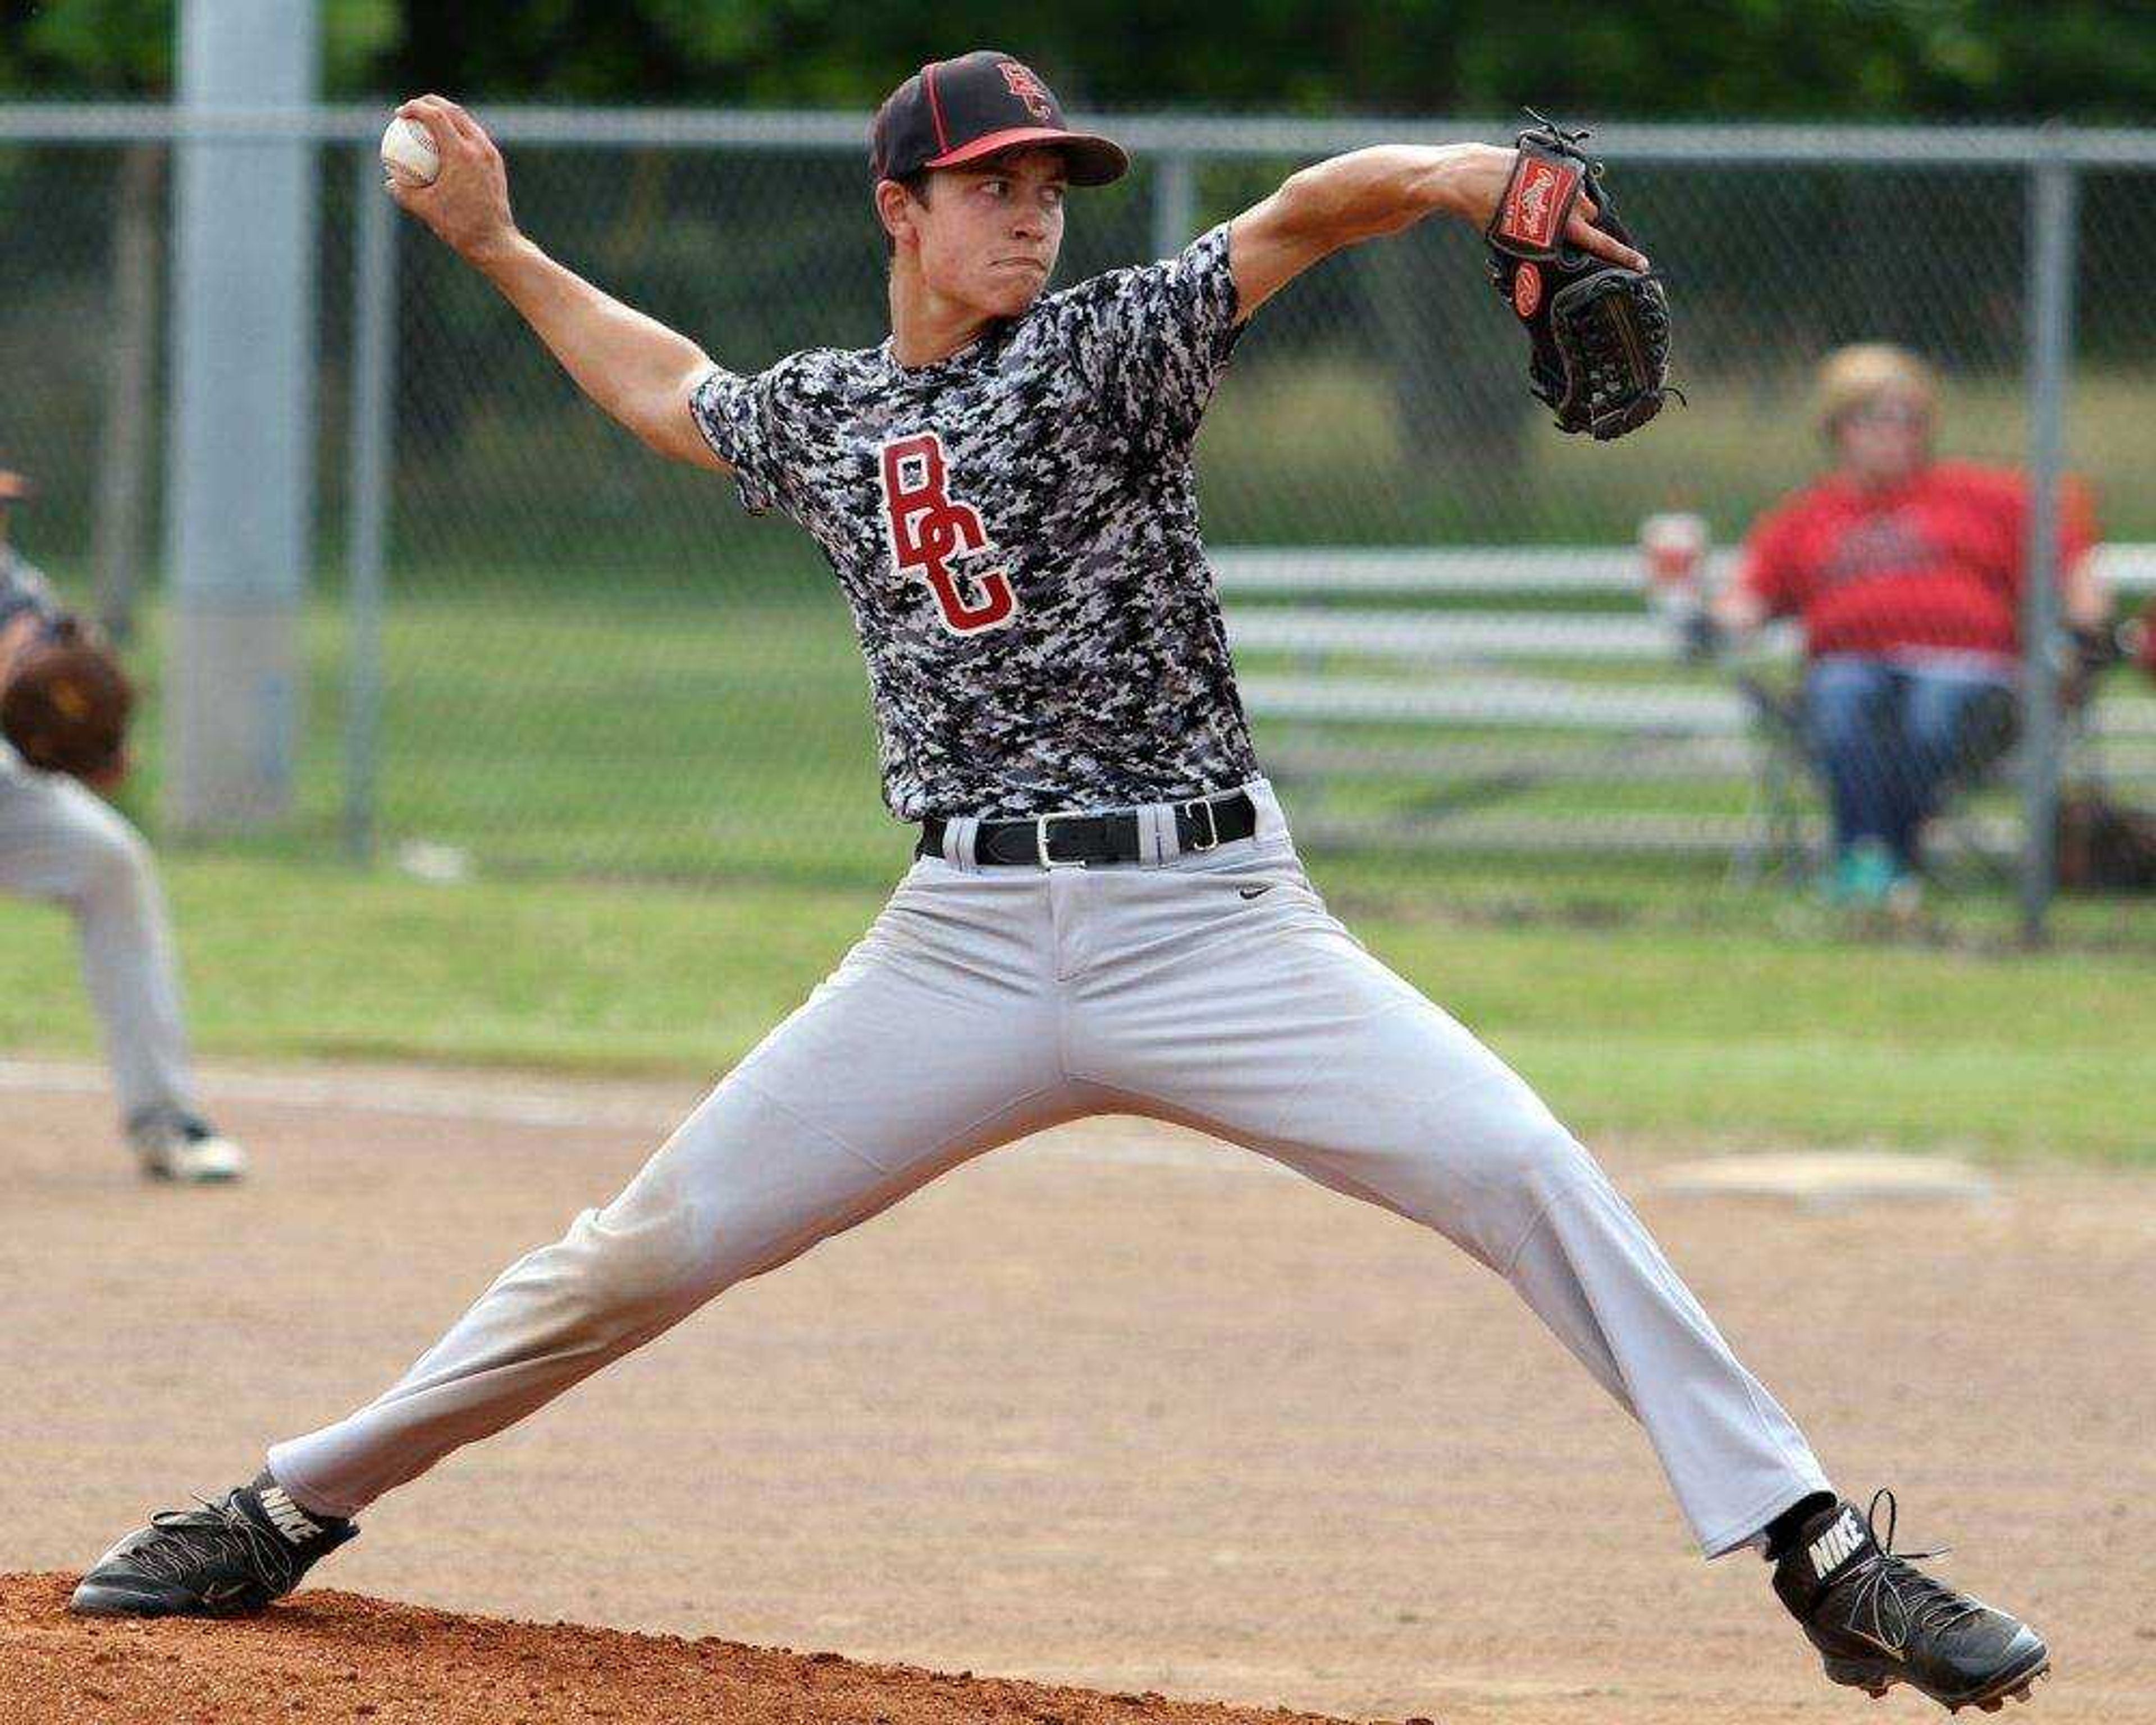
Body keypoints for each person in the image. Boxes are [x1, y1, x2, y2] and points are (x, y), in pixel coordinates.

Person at [70, 58, 2046, 1715]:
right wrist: (496, 247)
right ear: (898, 213)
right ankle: (289, 1504)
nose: (1033, 212)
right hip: (963, 944)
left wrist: (1458, 178)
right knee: (642, 1252)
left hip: (1220, 931)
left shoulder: (1108, 352)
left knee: (1523, 1167)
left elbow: (1298, 216)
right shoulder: (836, 416)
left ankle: (1822, 1551)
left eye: (1051, 182)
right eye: (990, 183)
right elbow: (670, 388)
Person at [1713, 344, 2107, 907]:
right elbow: (1747, 601)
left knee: (1933, 708)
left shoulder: (1983, 497)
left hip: (1971, 677)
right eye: (1878, 417)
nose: (1898, 432)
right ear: (1838, 427)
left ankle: (1876, 860)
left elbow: (2071, 558)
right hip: (1850, 671)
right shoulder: (1806, 518)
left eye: (1911, 419)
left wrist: (2088, 620)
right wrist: (1712, 619)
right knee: (1843, 697)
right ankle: (1882, 866)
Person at [0, 468, 245, 1181]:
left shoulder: (16, 585)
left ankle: (166, 1118)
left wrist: (93, 747)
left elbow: (55, 676)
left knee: (109, 862)